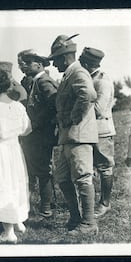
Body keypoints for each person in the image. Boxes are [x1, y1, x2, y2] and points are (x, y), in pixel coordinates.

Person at [48, 34, 99, 236]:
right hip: (68, 137)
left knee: (83, 178)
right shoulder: (69, 74)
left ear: (64, 57)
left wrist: (72, 118)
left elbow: (88, 95)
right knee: (62, 178)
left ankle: (88, 223)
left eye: (55, 60)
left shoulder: (78, 72)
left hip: (79, 135)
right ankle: (76, 218)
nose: (54, 64)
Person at [0, 69, 32, 244]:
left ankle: (8, 233)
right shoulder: (18, 105)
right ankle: (18, 220)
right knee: (14, 183)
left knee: (2, 186)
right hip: (14, 149)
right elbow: (27, 129)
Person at [19, 50, 58, 217]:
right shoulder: (34, 81)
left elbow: (53, 105)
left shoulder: (43, 82)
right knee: (36, 169)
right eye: (22, 63)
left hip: (42, 134)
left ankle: (46, 208)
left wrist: (35, 124)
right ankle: (44, 205)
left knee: (43, 171)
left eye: (27, 63)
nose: (24, 66)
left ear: (39, 64)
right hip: (34, 134)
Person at [79, 47, 116, 218]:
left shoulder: (102, 81)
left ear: (87, 63)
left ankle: (105, 203)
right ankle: (90, 202)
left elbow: (99, 109)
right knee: (90, 167)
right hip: (89, 130)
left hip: (101, 130)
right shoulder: (90, 78)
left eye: (81, 61)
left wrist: (77, 108)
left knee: (105, 167)